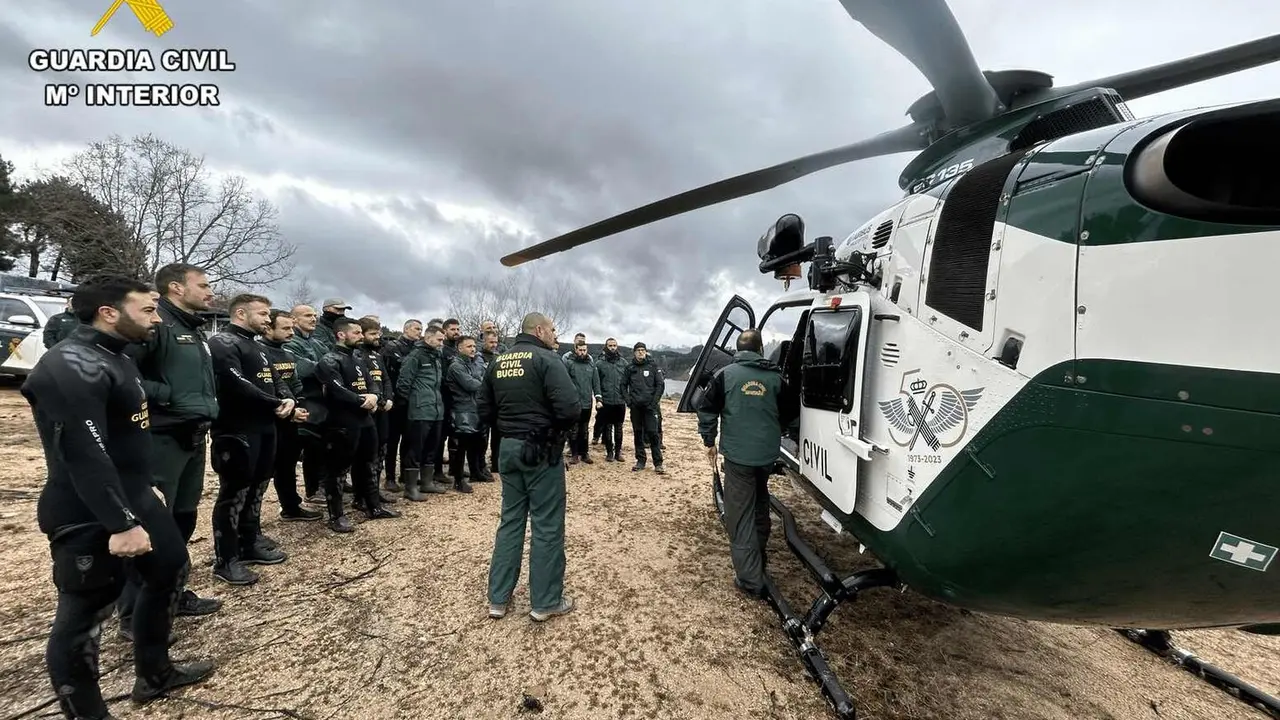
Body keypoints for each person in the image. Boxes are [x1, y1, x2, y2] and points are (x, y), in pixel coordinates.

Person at [22, 275, 215, 717]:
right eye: (147, 310)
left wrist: (143, 485)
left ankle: (155, 673)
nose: (157, 318)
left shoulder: (118, 356)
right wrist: (121, 522)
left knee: (169, 568)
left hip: (133, 492)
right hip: (88, 508)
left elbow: (127, 433)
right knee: (84, 615)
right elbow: (83, 452)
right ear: (109, 312)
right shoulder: (71, 364)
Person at [118, 262, 221, 631]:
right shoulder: (156, 324)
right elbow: (124, 374)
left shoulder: (193, 329)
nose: (210, 292)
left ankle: (172, 593)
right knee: (151, 522)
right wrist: (169, 397)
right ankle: (133, 612)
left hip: (192, 435)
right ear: (176, 288)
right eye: (204, 285)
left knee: (182, 517)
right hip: (162, 436)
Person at [479, 312, 580, 622]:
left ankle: (498, 599)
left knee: (510, 521)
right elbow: (571, 408)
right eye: (552, 329)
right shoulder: (548, 361)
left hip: (507, 448)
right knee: (547, 524)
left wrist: (510, 427)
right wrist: (544, 433)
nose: (555, 334)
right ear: (539, 330)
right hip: (540, 450)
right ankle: (545, 602)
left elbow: (483, 408)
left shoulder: (498, 362)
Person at [695, 329, 798, 598]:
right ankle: (759, 555)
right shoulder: (777, 378)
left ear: (739, 350)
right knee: (760, 502)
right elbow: (791, 415)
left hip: (738, 459)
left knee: (739, 517)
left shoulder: (725, 375)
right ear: (761, 349)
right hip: (765, 457)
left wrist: (709, 440)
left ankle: (750, 580)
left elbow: (706, 408)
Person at [207, 293, 297, 585]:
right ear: (242, 313)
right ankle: (226, 559)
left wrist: (287, 399)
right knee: (235, 492)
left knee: (259, 484)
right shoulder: (223, 343)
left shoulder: (258, 347)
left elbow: (276, 379)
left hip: (265, 426)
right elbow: (235, 382)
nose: (267, 320)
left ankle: (250, 540)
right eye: (262, 314)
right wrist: (274, 403)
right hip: (236, 428)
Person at [316, 316, 401, 532]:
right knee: (337, 470)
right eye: (357, 333)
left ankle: (373, 506)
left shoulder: (358, 357)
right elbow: (335, 388)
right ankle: (336, 516)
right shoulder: (329, 360)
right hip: (341, 422)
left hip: (365, 420)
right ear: (341, 334)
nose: (361, 336)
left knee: (368, 463)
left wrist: (373, 396)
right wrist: (362, 400)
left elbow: (373, 381)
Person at [259, 309, 323, 522]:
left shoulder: (287, 353)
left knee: (287, 465)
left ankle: (291, 506)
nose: (291, 332)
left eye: (291, 327)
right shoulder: (259, 351)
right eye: (285, 328)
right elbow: (263, 386)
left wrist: (300, 407)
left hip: (291, 417)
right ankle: (249, 523)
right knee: (263, 471)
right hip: (269, 417)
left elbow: (295, 383)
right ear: (268, 328)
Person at [394, 325, 450, 499]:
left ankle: (427, 482)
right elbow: (403, 384)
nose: (442, 343)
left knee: (432, 447)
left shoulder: (437, 357)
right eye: (439, 340)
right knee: (415, 449)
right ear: (428, 338)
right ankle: (410, 488)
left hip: (436, 409)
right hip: (419, 410)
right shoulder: (415, 356)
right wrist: (412, 404)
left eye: (443, 340)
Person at [283, 304, 328, 502]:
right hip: (305, 398)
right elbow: (302, 368)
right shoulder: (289, 342)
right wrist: (329, 373)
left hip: (322, 400)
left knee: (322, 444)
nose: (313, 319)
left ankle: (325, 483)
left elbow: (333, 361)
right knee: (309, 445)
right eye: (308, 315)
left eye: (314, 315)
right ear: (294, 319)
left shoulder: (317, 343)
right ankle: (312, 489)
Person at [356, 316, 398, 509]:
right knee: (364, 455)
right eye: (373, 334)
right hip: (366, 410)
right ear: (362, 334)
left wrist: (388, 398)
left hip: (383, 410)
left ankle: (374, 490)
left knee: (381, 450)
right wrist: (374, 400)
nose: (377, 337)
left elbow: (386, 379)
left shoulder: (378, 355)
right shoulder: (356, 355)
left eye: (378, 333)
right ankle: (360, 495)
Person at [381, 318, 423, 491]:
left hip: (411, 400)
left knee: (409, 438)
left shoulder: (419, 348)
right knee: (392, 440)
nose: (419, 332)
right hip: (396, 399)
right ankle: (389, 477)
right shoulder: (392, 347)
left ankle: (406, 473)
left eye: (421, 329)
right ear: (406, 329)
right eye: (416, 329)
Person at [445, 335, 487, 491]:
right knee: (461, 446)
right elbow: (470, 384)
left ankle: (475, 472)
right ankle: (458, 479)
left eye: (474, 346)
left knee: (475, 443)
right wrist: (485, 383)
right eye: (469, 346)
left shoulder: (471, 364)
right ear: (459, 348)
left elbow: (479, 380)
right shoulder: (456, 366)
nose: (473, 349)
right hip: (461, 409)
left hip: (473, 407)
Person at [621, 341, 665, 474]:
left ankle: (658, 463)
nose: (641, 352)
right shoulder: (629, 368)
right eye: (638, 350)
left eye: (643, 350)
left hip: (650, 407)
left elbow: (660, 385)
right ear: (634, 352)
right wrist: (629, 401)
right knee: (638, 433)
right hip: (636, 407)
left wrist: (654, 402)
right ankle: (640, 460)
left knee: (653, 433)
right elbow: (623, 385)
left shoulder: (652, 366)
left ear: (646, 352)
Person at [564, 340, 600, 464]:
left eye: (585, 350)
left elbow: (596, 382)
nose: (583, 352)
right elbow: (564, 382)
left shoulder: (591, 364)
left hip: (587, 402)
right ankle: (574, 454)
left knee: (584, 429)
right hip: (574, 402)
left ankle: (584, 453)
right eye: (580, 350)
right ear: (576, 349)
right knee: (574, 429)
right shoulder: (569, 363)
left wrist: (598, 398)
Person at [594, 337, 628, 462]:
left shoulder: (623, 363)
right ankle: (609, 452)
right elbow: (596, 383)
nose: (612, 348)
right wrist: (599, 398)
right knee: (607, 427)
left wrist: (626, 395)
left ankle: (618, 452)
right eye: (610, 346)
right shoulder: (600, 363)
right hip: (606, 400)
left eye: (614, 345)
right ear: (606, 347)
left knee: (619, 427)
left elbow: (627, 381)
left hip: (619, 400)